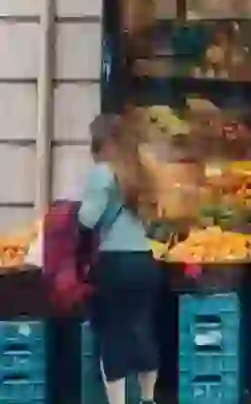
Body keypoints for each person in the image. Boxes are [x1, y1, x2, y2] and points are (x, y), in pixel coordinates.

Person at [80, 114, 160, 404]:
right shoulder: (142, 171)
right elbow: (153, 221)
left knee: (113, 334)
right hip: (145, 261)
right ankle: (148, 398)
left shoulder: (103, 173)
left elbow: (87, 219)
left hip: (114, 263)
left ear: (103, 143)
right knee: (141, 329)